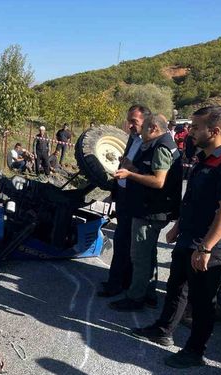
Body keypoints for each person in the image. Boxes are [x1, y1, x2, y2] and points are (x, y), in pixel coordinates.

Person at [131, 106, 221, 369]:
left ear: (216, 130)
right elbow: (193, 198)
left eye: (197, 128)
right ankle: (163, 330)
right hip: (190, 237)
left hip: (213, 244)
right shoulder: (204, 157)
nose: (190, 132)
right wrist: (178, 227)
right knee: (176, 286)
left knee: (202, 300)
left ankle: (195, 350)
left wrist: (207, 247)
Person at [109, 114, 183, 311]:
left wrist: (129, 174)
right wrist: (132, 166)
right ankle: (148, 293)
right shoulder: (163, 143)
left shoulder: (160, 147)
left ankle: (135, 297)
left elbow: (158, 181)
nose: (139, 132)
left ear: (153, 129)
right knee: (148, 253)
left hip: (149, 210)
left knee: (140, 256)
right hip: (151, 209)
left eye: (143, 128)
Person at [97, 105, 150, 297]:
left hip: (135, 201)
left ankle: (117, 284)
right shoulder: (133, 138)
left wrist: (131, 168)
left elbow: (150, 175)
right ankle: (120, 281)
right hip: (123, 197)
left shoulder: (151, 143)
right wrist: (115, 191)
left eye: (134, 122)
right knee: (122, 241)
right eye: (129, 121)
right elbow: (124, 165)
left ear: (146, 121)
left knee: (124, 242)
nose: (130, 126)